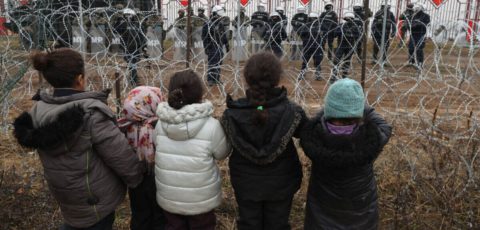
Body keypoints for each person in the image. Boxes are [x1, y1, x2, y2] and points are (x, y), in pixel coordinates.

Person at [13, 48, 144, 229]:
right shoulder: (91, 114)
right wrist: (138, 179)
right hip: (96, 198)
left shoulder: (38, 110)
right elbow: (120, 156)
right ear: (80, 79)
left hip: (66, 195)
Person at [221, 52, 306, 230]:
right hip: (282, 182)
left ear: (247, 78)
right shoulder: (291, 112)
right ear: (276, 78)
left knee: (248, 223)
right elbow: (308, 135)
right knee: (278, 224)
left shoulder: (232, 114)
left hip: (246, 183)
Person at [300, 78, 392, 230]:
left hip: (321, 218)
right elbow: (384, 126)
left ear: (329, 109)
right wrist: (361, 107)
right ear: (358, 111)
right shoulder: (370, 140)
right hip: (362, 216)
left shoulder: (314, 138)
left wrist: (326, 110)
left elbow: (313, 122)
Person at [154, 70, 230, 230]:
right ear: (200, 94)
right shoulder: (212, 126)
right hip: (201, 200)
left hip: (170, 197)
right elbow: (222, 153)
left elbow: (156, 144)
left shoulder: (160, 124)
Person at [118, 86, 167, 230]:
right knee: (160, 217)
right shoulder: (161, 126)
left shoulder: (124, 126)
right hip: (159, 179)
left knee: (140, 215)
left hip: (135, 179)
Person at [114, 8, 147, 86]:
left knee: (133, 64)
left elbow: (142, 36)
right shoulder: (123, 25)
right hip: (127, 47)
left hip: (136, 48)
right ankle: (134, 79)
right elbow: (115, 30)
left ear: (133, 16)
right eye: (126, 15)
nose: (128, 17)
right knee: (132, 64)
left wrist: (144, 48)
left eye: (129, 15)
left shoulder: (137, 25)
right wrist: (118, 20)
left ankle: (132, 78)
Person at [331, 12, 362, 83]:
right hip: (341, 45)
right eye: (348, 19)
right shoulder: (341, 26)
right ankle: (334, 75)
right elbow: (335, 34)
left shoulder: (355, 27)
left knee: (347, 61)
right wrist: (341, 32)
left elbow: (358, 37)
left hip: (349, 46)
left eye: (350, 19)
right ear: (345, 19)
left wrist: (351, 35)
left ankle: (344, 76)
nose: (349, 20)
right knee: (337, 60)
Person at [202, 5, 229, 86]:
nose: (220, 16)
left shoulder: (220, 24)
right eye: (218, 14)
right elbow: (204, 37)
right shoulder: (208, 24)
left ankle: (216, 78)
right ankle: (210, 79)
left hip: (219, 45)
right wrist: (206, 47)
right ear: (214, 13)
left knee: (219, 63)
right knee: (212, 62)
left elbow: (223, 35)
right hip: (212, 46)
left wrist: (227, 44)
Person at [299, 12, 323, 81]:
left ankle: (318, 75)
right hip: (308, 46)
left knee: (317, 61)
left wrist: (321, 41)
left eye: (314, 18)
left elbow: (325, 35)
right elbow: (301, 34)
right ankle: (302, 74)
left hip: (317, 46)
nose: (313, 20)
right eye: (311, 18)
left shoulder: (320, 26)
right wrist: (305, 41)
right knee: (305, 60)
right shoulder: (306, 26)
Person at [408, 3, 430, 68]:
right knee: (411, 48)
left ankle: (420, 63)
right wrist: (408, 26)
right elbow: (409, 23)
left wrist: (416, 24)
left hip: (421, 34)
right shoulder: (413, 16)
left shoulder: (426, 16)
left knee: (419, 49)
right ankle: (411, 61)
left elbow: (426, 23)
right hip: (413, 34)